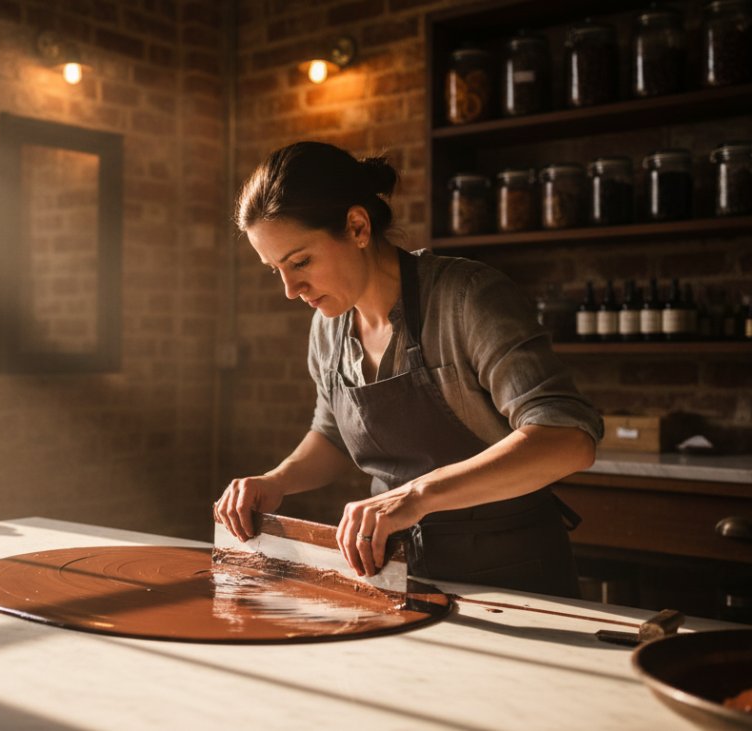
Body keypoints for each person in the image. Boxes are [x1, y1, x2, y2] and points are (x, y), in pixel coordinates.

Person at [214, 141, 604, 598]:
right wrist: (276, 481)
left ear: (357, 227)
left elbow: (567, 439)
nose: (290, 288)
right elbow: (334, 435)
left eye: (300, 262)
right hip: (396, 573)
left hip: (513, 577)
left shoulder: (467, 299)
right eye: (275, 269)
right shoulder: (328, 328)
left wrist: (416, 497)